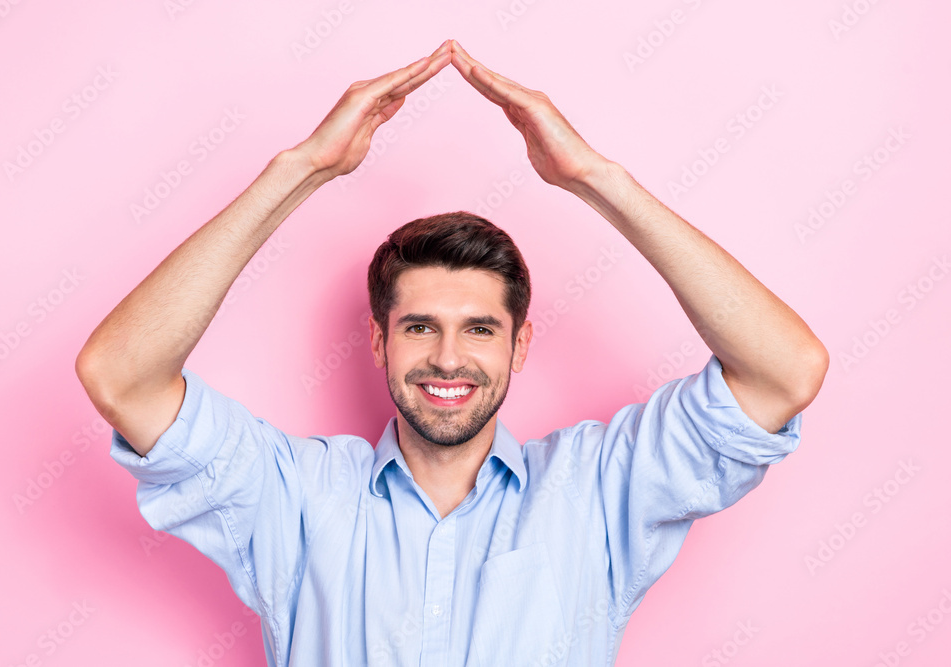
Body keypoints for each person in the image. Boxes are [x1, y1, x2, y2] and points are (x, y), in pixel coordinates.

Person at [76, 39, 828, 666]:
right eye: (418, 327)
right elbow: (120, 376)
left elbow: (784, 372)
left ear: (519, 344)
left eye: (479, 329)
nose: (446, 357)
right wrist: (301, 168)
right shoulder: (295, 499)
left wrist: (596, 180)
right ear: (379, 340)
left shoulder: (599, 492)